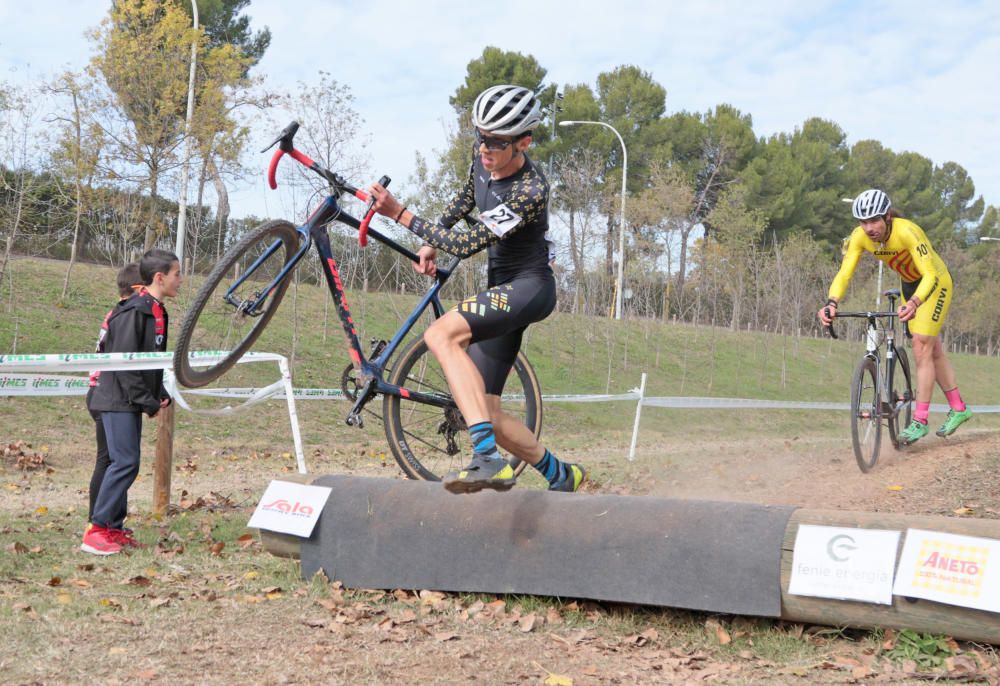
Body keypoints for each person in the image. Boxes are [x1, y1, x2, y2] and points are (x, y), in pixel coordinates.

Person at [368, 84, 586, 494]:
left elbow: (470, 245)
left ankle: (486, 460)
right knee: (484, 410)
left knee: (440, 334)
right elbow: (464, 201)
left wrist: (399, 213)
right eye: (479, 137)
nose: (484, 148)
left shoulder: (530, 190)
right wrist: (433, 237)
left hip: (529, 287)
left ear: (523, 142)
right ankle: (562, 474)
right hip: (502, 287)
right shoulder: (482, 160)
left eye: (495, 142)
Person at [818, 189, 971, 444]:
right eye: (863, 222)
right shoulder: (860, 238)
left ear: (887, 216)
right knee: (932, 350)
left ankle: (920, 421)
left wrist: (914, 302)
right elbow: (845, 272)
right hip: (909, 284)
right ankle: (959, 408)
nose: (868, 228)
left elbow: (930, 275)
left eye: (874, 220)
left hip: (935, 283)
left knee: (921, 343)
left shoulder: (907, 231)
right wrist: (831, 302)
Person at [81, 249, 182, 555]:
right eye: (177, 274)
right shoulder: (134, 311)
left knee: (123, 462)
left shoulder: (157, 310)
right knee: (124, 462)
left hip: (130, 399)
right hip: (114, 398)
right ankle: (96, 530)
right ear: (159, 277)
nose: (181, 280)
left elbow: (148, 361)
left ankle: (113, 528)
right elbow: (122, 364)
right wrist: (147, 402)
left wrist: (159, 394)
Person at [85, 262, 142, 528]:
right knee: (109, 461)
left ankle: (109, 521)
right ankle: (98, 522)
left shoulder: (116, 312)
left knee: (112, 460)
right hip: (104, 392)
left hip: (101, 389)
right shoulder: (125, 314)